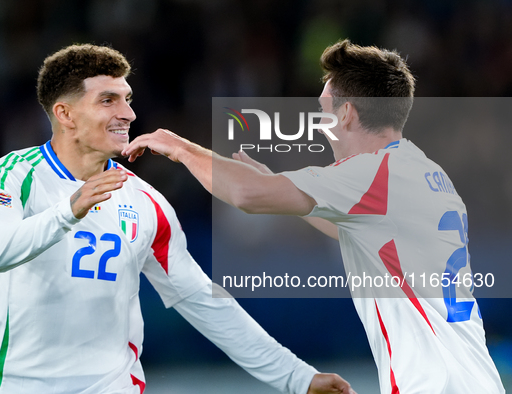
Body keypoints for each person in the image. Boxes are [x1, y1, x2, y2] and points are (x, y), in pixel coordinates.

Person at [0, 44, 356, 394]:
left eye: (128, 99)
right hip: (13, 385)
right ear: (65, 113)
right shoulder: (12, 176)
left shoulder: (145, 201)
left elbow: (201, 299)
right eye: (108, 101)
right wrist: (69, 210)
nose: (128, 113)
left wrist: (297, 377)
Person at [123, 39, 506, 393]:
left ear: (348, 114)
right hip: (475, 378)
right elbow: (359, 232)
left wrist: (179, 147)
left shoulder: (372, 173)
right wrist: (281, 187)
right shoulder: (427, 173)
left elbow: (245, 194)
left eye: (323, 113)